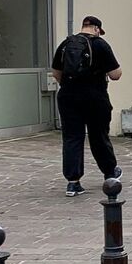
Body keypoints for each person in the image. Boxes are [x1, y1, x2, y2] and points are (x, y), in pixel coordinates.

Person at [51, 16, 122, 196]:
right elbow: (116, 74)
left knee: (72, 137)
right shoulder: (100, 45)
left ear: (83, 27)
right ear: (97, 29)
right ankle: (109, 173)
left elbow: (56, 72)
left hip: (68, 96)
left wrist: (70, 85)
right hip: (94, 96)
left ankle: (73, 183)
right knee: (98, 135)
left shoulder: (65, 44)